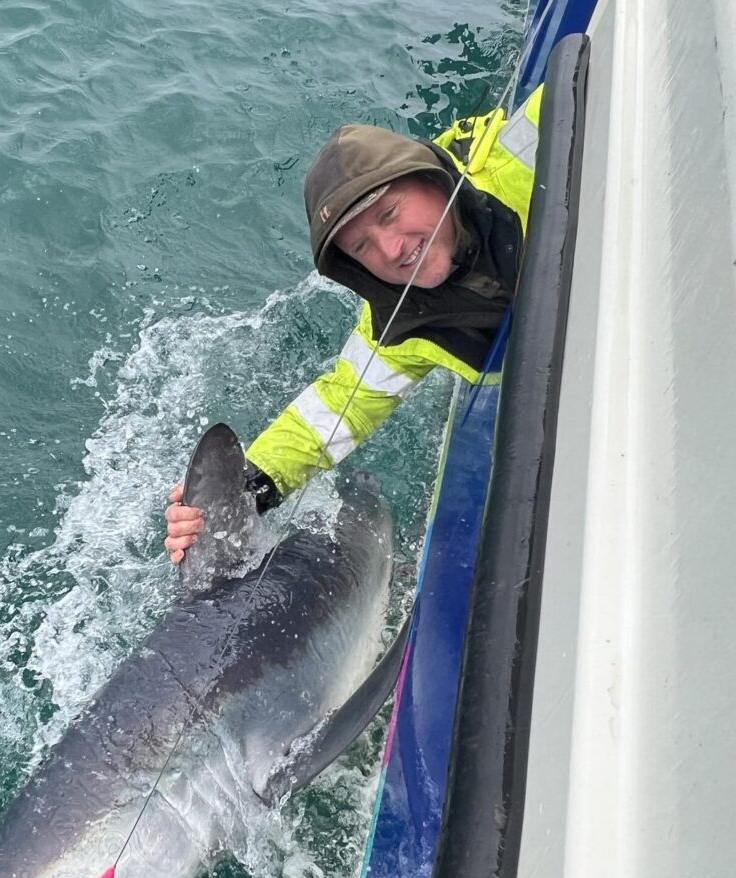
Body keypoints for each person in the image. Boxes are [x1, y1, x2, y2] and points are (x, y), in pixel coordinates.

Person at [165, 86, 543, 563]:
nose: (390, 249)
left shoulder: (526, 153)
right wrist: (239, 493)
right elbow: (334, 409)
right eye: (362, 247)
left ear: (431, 180)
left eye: (389, 213)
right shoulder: (400, 329)